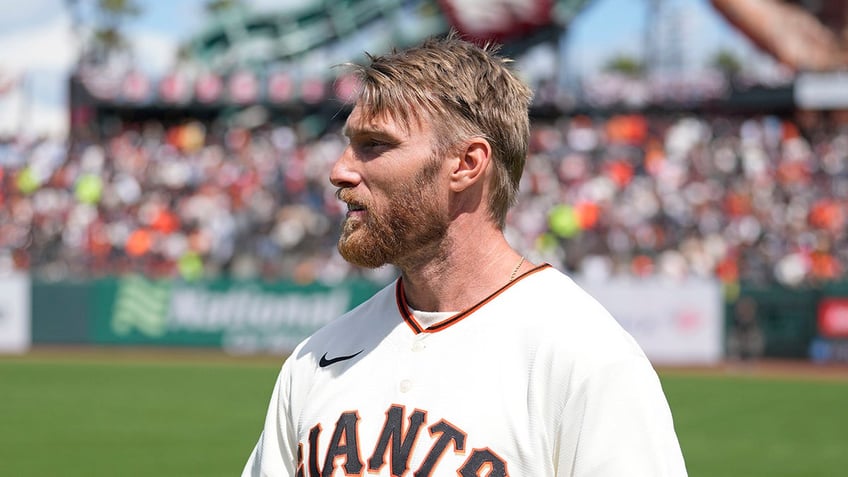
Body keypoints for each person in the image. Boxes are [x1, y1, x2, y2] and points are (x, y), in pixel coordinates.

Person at [243, 33, 688, 476]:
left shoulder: (584, 356)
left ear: (466, 164)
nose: (339, 170)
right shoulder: (314, 360)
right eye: (349, 142)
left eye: (374, 145)